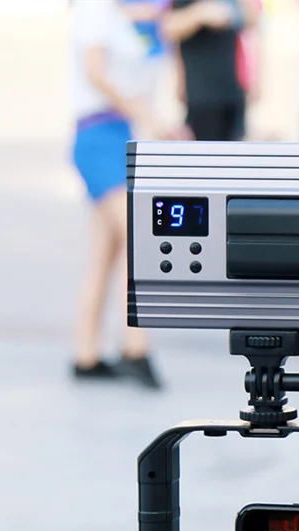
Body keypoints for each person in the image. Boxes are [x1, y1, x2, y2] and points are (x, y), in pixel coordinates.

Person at [70, 0, 167, 388]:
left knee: (106, 250)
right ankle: (135, 349)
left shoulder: (117, 13)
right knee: (136, 237)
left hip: (119, 133)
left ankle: (86, 355)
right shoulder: (95, 9)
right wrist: (144, 113)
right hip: (99, 134)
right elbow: (94, 72)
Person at [163, 0, 252, 141]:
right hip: (201, 95)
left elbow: (251, 21)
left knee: (235, 151)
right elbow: (169, 27)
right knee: (204, 151)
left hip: (232, 91)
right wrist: (200, 13)